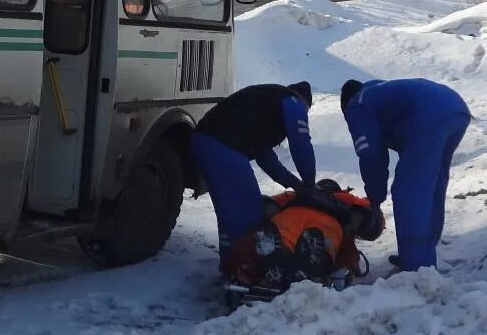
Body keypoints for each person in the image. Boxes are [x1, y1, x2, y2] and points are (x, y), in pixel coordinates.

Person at [340, 77, 471, 271]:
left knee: (409, 191)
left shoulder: (358, 104)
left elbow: (371, 154)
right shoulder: (380, 91)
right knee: (432, 185)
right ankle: (424, 254)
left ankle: (416, 267)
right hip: (455, 108)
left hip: (429, 114)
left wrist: (375, 199)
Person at [191, 81, 316, 265]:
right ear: (305, 103)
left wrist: (295, 184)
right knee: (249, 213)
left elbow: (266, 158)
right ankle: (245, 269)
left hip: (204, 142)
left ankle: (231, 267)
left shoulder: (267, 108)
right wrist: (309, 183)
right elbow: (301, 144)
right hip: (223, 146)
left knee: (230, 213)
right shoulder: (294, 101)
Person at [228, 178, 385, 289]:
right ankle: (309, 267)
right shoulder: (346, 198)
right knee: (322, 242)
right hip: (328, 224)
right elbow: (370, 212)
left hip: (290, 216)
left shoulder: (299, 192)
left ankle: (274, 262)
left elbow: (268, 203)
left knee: (282, 238)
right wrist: (351, 265)